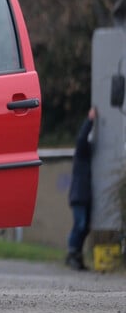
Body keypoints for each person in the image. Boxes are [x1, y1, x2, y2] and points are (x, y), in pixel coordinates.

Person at [66, 106, 95, 270]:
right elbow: (81, 139)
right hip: (79, 195)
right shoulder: (81, 154)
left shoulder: (89, 159)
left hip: (86, 196)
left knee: (85, 226)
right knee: (80, 224)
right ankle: (72, 253)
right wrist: (90, 120)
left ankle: (77, 255)